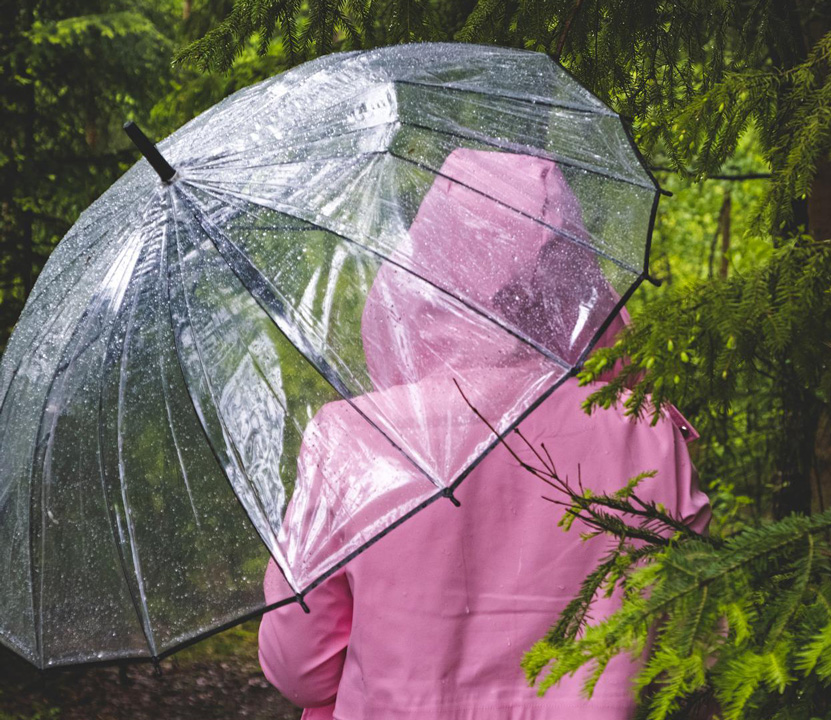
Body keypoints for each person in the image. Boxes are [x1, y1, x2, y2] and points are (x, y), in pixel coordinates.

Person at [257, 148, 710, 720]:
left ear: (428, 263)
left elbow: (299, 669)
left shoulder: (353, 440)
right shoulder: (643, 429)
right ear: (573, 270)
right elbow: (689, 636)